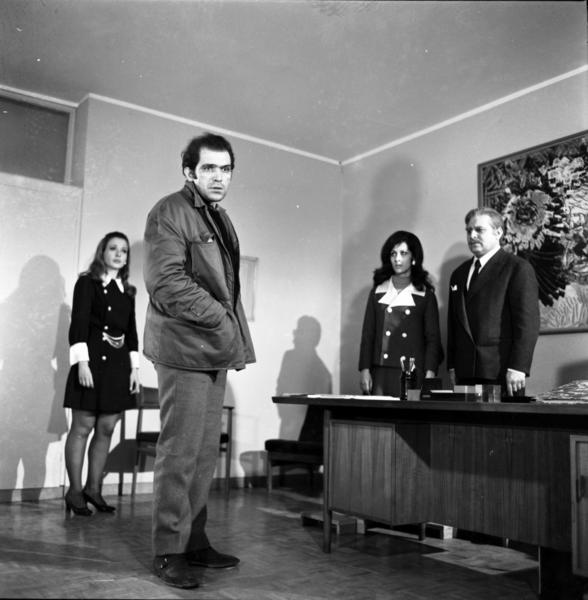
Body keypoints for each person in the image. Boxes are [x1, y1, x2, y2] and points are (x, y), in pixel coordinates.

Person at [143, 133, 255, 589]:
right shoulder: (169, 211)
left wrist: (227, 332)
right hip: (183, 350)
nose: (219, 177)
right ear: (189, 171)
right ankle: (169, 550)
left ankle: (193, 541)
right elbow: (166, 283)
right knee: (180, 453)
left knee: (204, 454)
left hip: (211, 350)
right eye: (209, 168)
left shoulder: (219, 217)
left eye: (226, 169)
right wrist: (222, 319)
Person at [63, 231, 140, 516]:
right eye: (113, 248)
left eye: (124, 250)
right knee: (82, 427)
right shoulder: (87, 283)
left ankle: (93, 489)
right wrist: (81, 364)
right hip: (91, 362)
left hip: (118, 367)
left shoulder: (127, 291)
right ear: (102, 252)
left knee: (107, 428)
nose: (119, 254)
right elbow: (79, 323)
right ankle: (74, 491)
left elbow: (131, 332)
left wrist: (134, 369)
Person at [447, 207, 540, 396]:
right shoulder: (458, 274)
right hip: (464, 373)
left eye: (479, 230)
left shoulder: (517, 268)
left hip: (502, 373)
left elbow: (527, 324)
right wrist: (452, 365)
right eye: (468, 231)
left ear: (498, 233)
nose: (472, 235)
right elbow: (453, 324)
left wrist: (518, 367)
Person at [359, 230, 444, 397]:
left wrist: (430, 373)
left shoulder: (425, 295)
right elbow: (368, 335)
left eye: (403, 253)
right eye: (393, 254)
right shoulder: (377, 292)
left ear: (414, 258)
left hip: (412, 373)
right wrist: (364, 369)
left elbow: (433, 340)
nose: (397, 259)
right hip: (380, 372)